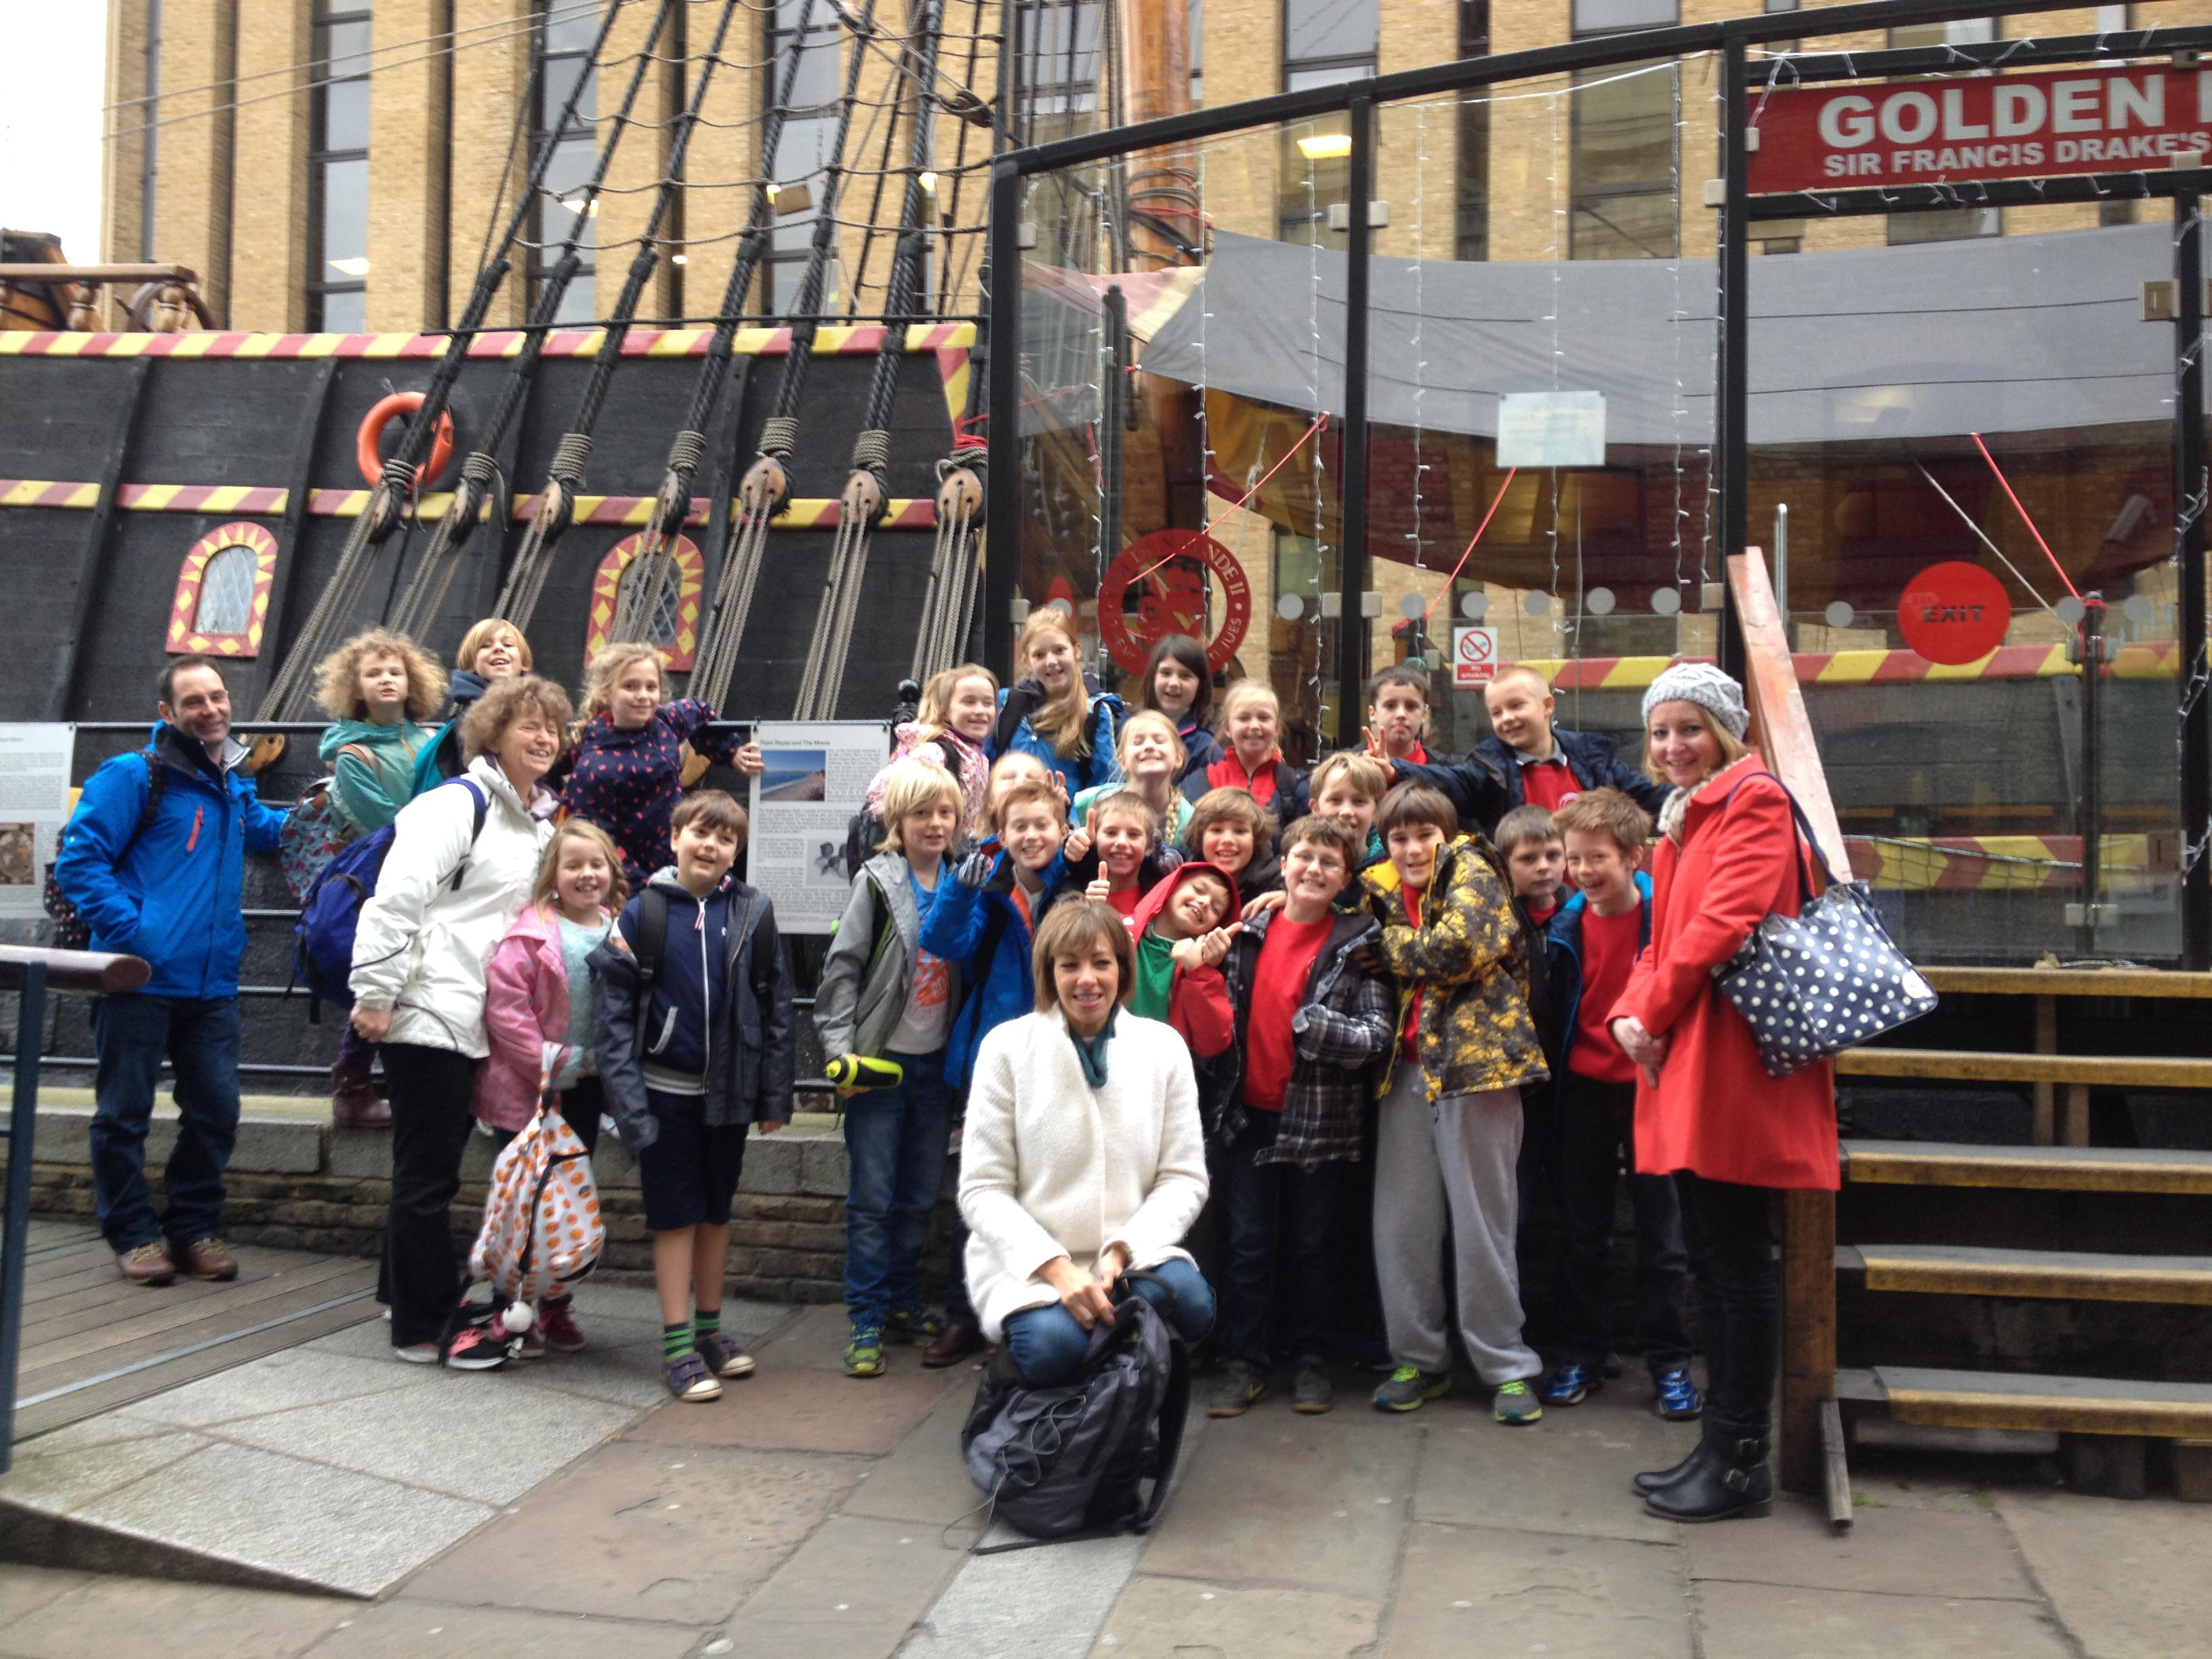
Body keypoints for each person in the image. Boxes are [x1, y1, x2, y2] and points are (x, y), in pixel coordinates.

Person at [1609, 663, 1834, 1523]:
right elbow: (1661, 936)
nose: (1673, 746)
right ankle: (1720, 1449)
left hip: (1731, 1059)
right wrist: (1632, 1015)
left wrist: (1650, 1013)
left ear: (1726, 731)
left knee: (1736, 1263)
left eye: (1690, 728)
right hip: (1694, 1052)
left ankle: (1741, 1460)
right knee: (1714, 1256)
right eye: (1661, 731)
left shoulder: (1753, 800)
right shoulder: (1684, 816)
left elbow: (1721, 927)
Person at [349, 674, 569, 1369]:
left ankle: (400, 1294)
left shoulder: (536, 824)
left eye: (553, 728)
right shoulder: (456, 804)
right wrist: (376, 992)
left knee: (424, 1166)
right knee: (430, 1173)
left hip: (471, 1012)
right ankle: (424, 1325)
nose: (544, 738)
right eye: (528, 725)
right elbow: (397, 898)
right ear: (491, 733)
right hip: (429, 1007)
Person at [55, 656, 287, 1286]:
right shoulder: (135, 775)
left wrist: (322, 813)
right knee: (124, 1113)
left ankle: (193, 1229)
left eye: (217, 696)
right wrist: (137, 933)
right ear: (167, 712)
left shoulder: (230, 778)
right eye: (194, 701)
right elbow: (79, 862)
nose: (210, 710)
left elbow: (259, 831)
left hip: (211, 982)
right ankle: (133, 1235)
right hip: (137, 978)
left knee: (216, 1111)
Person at [958, 900, 1214, 1387]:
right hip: (1033, 1261)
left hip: (1130, 1254)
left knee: (1194, 1306)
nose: (1087, 980)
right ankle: (1024, 1385)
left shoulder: (1163, 1048)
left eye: (1102, 963)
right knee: (1053, 1348)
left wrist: (1122, 1251)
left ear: (1123, 969)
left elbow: (1183, 1178)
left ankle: (1121, 1391)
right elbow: (982, 1190)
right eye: (1069, 965)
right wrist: (1055, 1268)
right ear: (1049, 973)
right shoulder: (1006, 1049)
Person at [594, 790, 795, 1401]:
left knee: (715, 1214)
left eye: (725, 838)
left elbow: (777, 1008)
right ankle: (678, 1345)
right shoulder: (643, 914)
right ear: (675, 837)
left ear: (737, 851)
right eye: (700, 832)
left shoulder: (754, 912)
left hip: (727, 1099)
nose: (711, 845)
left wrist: (773, 1099)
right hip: (664, 1097)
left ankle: (711, 1330)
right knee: (675, 1219)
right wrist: (630, 1109)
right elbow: (613, 1022)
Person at [1363, 782, 1549, 1423]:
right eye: (1399, 838)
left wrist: (1387, 947)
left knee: (1483, 1224)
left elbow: (1458, 950)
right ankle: (1418, 1359)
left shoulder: (1474, 869)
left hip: (1479, 1072)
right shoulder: (1379, 889)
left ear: (1447, 835)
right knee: (1401, 1225)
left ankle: (1507, 1367)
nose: (1413, 849)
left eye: (1425, 835)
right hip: (1404, 1072)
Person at [1206, 815, 1394, 1418]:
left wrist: (1317, 1027)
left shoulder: (1360, 944)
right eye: (1304, 857)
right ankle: (1246, 1361)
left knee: (1314, 1246)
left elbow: (1377, 1035)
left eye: (1329, 862)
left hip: (1319, 1121)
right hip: (1247, 1118)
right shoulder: (1246, 933)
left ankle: (1312, 1359)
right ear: (1283, 864)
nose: (1314, 869)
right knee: (1249, 1245)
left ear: (1346, 878)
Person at [1537, 789, 1698, 1420]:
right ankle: (1584, 1353)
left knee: (1663, 1232)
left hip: (1652, 1086)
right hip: (1584, 1088)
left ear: (1634, 857)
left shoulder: (1667, 919)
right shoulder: (1562, 927)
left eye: (1596, 857)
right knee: (1584, 1231)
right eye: (1573, 858)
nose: (1582, 871)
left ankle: (1670, 1363)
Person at [816, 761, 968, 1378]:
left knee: (918, 1197)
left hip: (935, 1068)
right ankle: (866, 1318)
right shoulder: (876, 882)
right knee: (873, 1201)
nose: (934, 824)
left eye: (945, 813)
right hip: (879, 1063)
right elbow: (842, 969)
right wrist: (839, 1053)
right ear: (897, 822)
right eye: (921, 813)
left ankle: (903, 1301)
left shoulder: (963, 881)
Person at [921, 777, 1075, 1366]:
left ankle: (1027, 1316)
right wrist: (960, 891)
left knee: (1050, 1193)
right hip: (995, 1057)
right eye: (1019, 827)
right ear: (1002, 834)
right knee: (985, 1193)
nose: (1032, 836)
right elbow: (945, 942)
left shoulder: (1077, 877)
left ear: (1061, 829)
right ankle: (967, 1315)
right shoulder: (989, 885)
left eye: (1042, 825)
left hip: (1061, 1056)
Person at [474, 818, 628, 1359]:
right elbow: (506, 1010)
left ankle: (556, 1304)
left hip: (584, 1092)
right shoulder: (532, 933)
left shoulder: (617, 931)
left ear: (611, 871)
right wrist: (559, 1061)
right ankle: (510, 1307)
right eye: (573, 865)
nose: (587, 874)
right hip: (527, 1092)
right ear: (552, 874)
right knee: (522, 1202)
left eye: (596, 864)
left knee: (567, 1203)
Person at [315, 628, 444, 1128]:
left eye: (395, 671)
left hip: (436, 869)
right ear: (356, 687)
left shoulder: (429, 740)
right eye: (374, 673)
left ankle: (409, 1081)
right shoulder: (352, 755)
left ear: (412, 683)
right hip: (387, 875)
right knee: (383, 971)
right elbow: (381, 821)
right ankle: (351, 1082)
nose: (387, 679)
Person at [1376, 663, 1669, 833]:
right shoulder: (1489, 769)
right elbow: (1450, 781)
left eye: (1516, 705)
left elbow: (1646, 795)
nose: (1507, 718)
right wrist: (1396, 770)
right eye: (1497, 712)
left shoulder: (1592, 760)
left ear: (1548, 705)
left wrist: (1690, 796)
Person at [562, 642, 761, 888]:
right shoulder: (594, 768)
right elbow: (600, 840)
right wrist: (643, 886)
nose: (643, 696)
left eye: (651, 687)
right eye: (630, 686)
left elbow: (698, 712)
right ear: (605, 694)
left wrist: (731, 752)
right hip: (642, 876)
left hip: (682, 859)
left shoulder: (663, 722)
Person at [990, 608, 1123, 795]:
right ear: (1026, 661)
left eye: (1059, 650)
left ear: (1077, 651)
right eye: (1039, 655)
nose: (1051, 661)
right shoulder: (1007, 703)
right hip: (1008, 812)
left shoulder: (1095, 713)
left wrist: (1070, 810)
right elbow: (986, 768)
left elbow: (1106, 786)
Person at [863, 662, 998, 837]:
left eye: (988, 703)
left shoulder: (977, 756)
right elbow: (884, 800)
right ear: (946, 710)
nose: (980, 710)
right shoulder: (933, 754)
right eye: (969, 702)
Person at [1126, 861, 1238, 1057]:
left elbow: (1213, 1043)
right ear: (1172, 885)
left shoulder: (1199, 968)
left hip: (1163, 1068)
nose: (1205, 903)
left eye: (1216, 908)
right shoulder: (1121, 934)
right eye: (1198, 889)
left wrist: (1199, 973)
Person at [413, 617, 531, 793]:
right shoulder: (470, 719)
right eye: (486, 646)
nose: (498, 649)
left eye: (508, 645)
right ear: (471, 664)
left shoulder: (534, 710)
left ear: (524, 662)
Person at [1181, 680, 1306, 824]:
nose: (1254, 725)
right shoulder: (1201, 782)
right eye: (1244, 718)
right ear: (1228, 727)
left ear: (1277, 727)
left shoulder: (1295, 787)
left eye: (1264, 718)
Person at [1073, 710, 1194, 843]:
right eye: (1138, 742)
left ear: (1179, 758)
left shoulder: (1189, 821)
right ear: (1123, 762)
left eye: (1159, 741)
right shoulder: (1088, 802)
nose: (1149, 746)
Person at [1063, 790, 1176, 926]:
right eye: (1111, 833)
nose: (1122, 842)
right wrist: (1087, 912)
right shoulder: (1070, 893)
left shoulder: (1163, 901)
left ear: (1149, 847)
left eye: (1134, 835)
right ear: (1095, 840)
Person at [1134, 633, 1223, 781]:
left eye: (1185, 676)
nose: (1174, 683)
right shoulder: (1127, 730)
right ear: (1153, 677)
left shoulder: (1207, 750)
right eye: (1166, 673)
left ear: (1200, 685)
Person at [1182, 787, 1281, 909]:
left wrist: (1288, 897)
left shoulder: (1279, 886)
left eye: (1240, 831)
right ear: (1200, 837)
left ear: (1255, 839)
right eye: (1216, 830)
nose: (1228, 840)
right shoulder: (1183, 881)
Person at [1494, 804, 1566, 927]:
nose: (1544, 867)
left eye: (1552, 856)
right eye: (1529, 858)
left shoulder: (1579, 909)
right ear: (1504, 865)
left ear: (1566, 859)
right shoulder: (1494, 919)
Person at [1361, 664, 1436, 769]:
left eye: (1411, 706)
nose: (1401, 714)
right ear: (1373, 713)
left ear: (1424, 714)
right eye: (1390, 706)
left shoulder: (1446, 772)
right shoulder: (1343, 768)